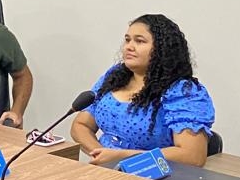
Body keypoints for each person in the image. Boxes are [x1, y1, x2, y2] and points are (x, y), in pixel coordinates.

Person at [70, 14, 214, 167]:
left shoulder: (183, 92)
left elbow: (192, 156)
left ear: (162, 49)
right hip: (105, 170)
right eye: (127, 40)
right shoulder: (115, 76)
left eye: (139, 41)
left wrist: (121, 158)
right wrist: (101, 154)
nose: (129, 47)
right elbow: (81, 125)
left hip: (152, 175)